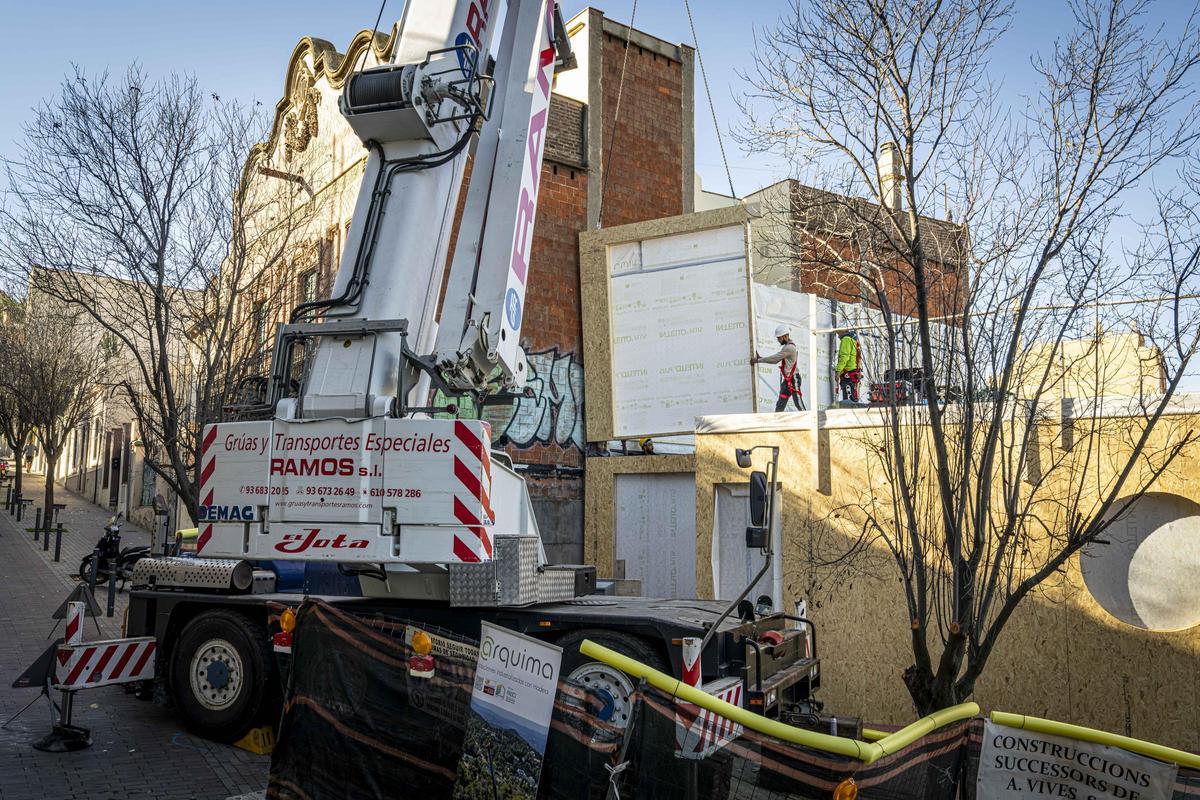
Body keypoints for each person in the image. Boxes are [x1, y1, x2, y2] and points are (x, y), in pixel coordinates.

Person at [752, 324, 804, 412]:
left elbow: (775, 359)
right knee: (779, 407)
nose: (778, 340)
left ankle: (810, 422)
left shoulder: (789, 348)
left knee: (799, 404)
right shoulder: (787, 347)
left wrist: (758, 360)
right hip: (787, 381)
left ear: (785, 336)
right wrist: (760, 359)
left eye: (779, 338)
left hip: (793, 379)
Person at [836, 330, 862, 403]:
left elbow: (844, 357)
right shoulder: (854, 341)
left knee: (848, 401)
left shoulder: (846, 339)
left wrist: (838, 371)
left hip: (847, 374)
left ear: (844, 331)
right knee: (853, 398)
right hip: (853, 373)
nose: (838, 336)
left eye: (839, 333)